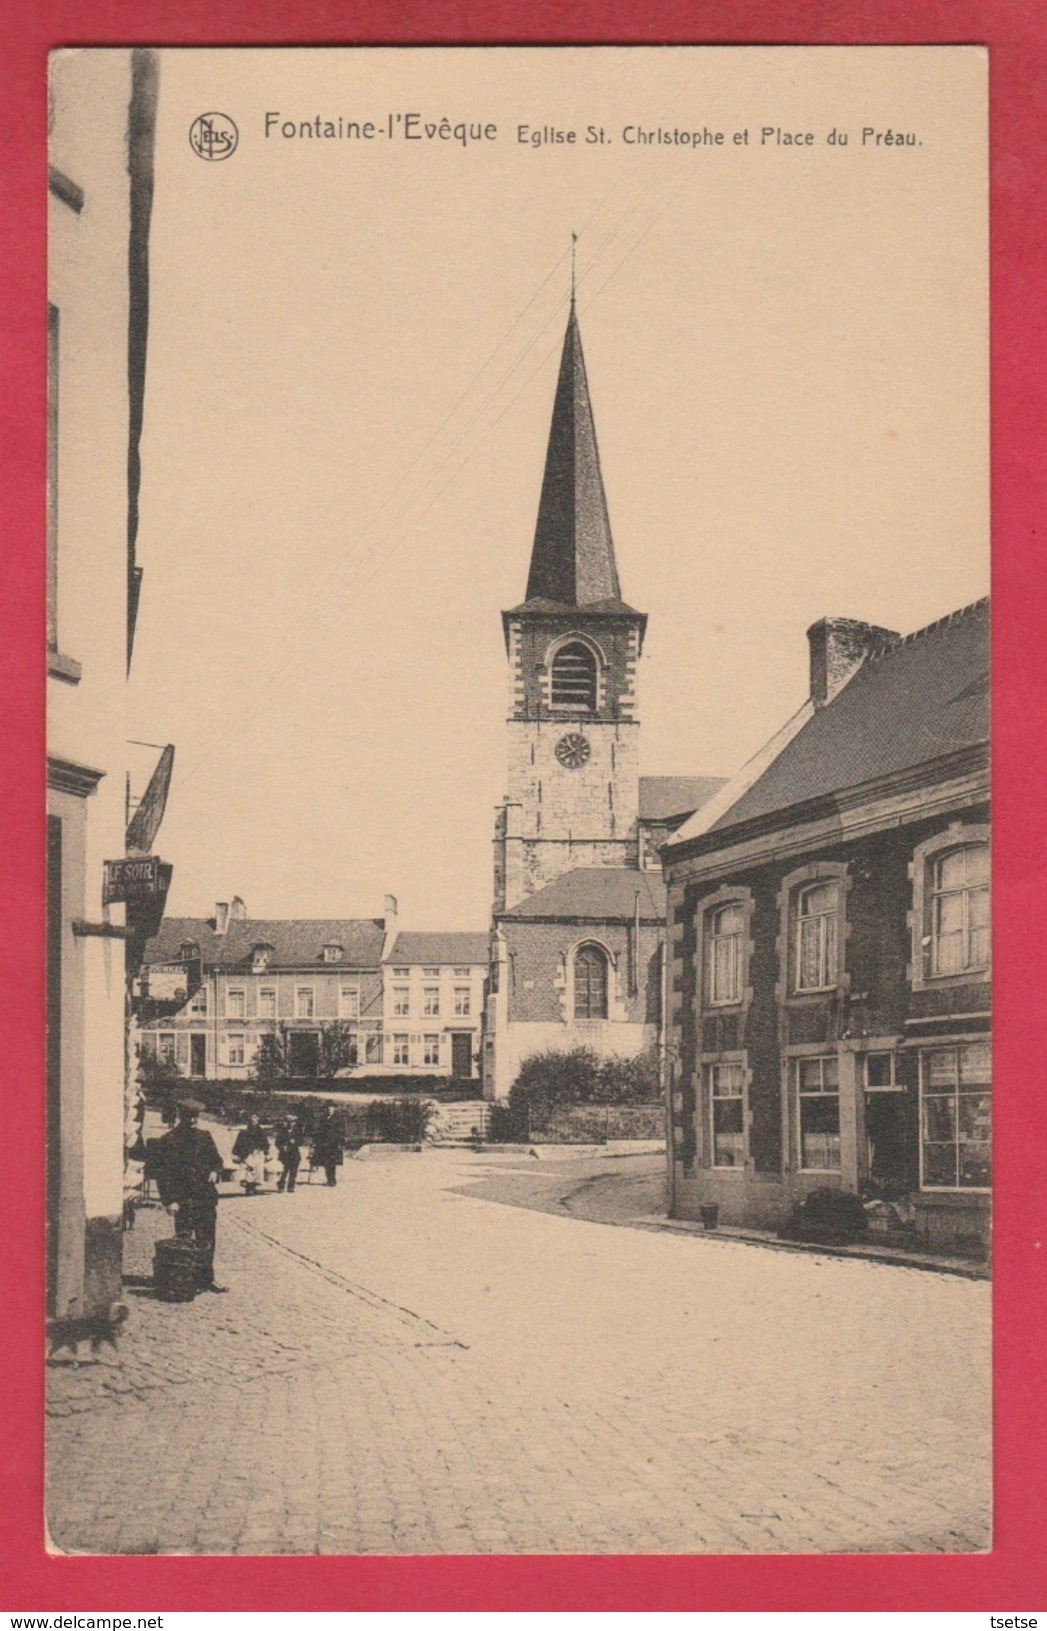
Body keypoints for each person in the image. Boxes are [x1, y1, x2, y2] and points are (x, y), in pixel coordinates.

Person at [153, 1097, 227, 1292]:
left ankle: (206, 1279)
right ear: (180, 1117)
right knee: (184, 1240)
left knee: (207, 1238)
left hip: (205, 1197)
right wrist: (170, 1201)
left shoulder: (205, 1136)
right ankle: (185, 1279)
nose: (193, 1121)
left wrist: (214, 1171)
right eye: (189, 1117)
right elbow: (162, 1174)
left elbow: (218, 1161)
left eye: (195, 1117)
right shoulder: (168, 1140)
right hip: (183, 1199)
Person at [232, 1113, 269, 1194]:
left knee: (257, 1169)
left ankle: (253, 1186)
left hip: (258, 1152)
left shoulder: (261, 1131)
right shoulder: (244, 1131)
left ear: (258, 1119)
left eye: (256, 1117)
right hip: (247, 1152)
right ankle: (248, 1187)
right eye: (252, 1117)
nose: (254, 1119)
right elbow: (239, 1141)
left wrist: (266, 1152)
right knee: (248, 1168)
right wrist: (236, 1153)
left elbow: (265, 1142)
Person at [311, 1103, 344, 1187]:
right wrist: (316, 1141)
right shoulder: (323, 1118)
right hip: (324, 1144)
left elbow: (341, 1132)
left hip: (334, 1144)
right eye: (328, 1108)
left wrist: (340, 1142)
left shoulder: (338, 1118)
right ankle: (329, 1180)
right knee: (325, 1162)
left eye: (331, 1108)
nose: (329, 1110)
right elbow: (320, 1130)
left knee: (332, 1163)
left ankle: (333, 1180)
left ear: (334, 1109)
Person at [275, 1119, 302, 1193]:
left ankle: (291, 1186)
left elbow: (301, 1141)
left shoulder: (297, 1132)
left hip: (294, 1154)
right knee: (283, 1171)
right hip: (284, 1155)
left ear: (294, 1123)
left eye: (292, 1122)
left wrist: (295, 1141)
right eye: (289, 1122)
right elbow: (277, 1142)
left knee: (293, 1172)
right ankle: (281, 1186)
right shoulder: (282, 1132)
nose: (290, 1124)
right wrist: (281, 1147)